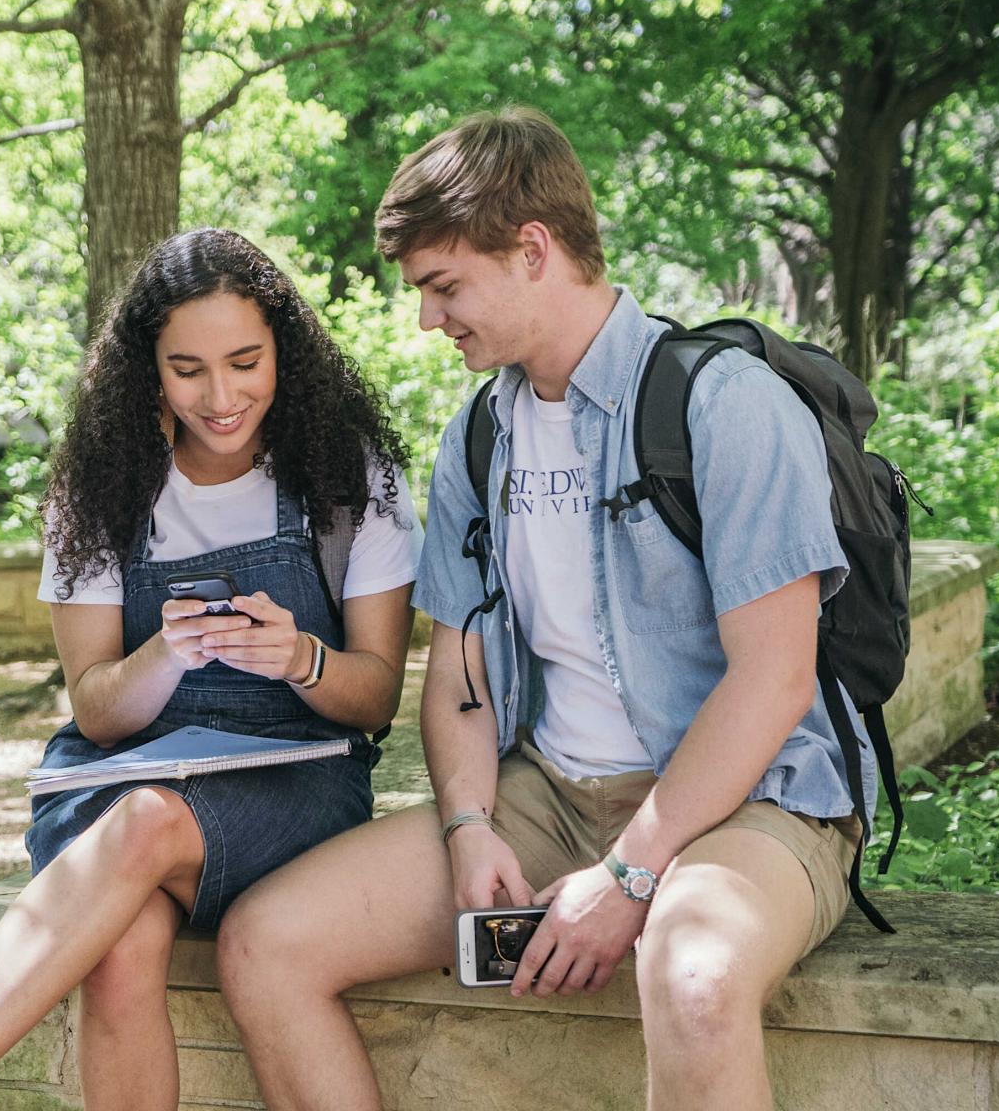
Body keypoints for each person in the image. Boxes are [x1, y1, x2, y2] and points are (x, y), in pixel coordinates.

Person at [215, 108, 871, 1111]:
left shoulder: (721, 404)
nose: (429, 320)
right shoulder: (479, 434)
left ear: (532, 250)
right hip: (553, 794)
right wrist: (471, 827)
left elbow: (775, 678)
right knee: (266, 944)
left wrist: (632, 875)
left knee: (692, 980)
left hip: (752, 805)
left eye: (444, 287)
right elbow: (464, 672)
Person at [0, 228, 418, 1111]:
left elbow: (376, 695)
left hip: (295, 776)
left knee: (141, 828)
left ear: (286, 350)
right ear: (148, 369)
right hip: (126, 764)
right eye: (188, 369)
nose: (222, 395)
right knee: (120, 948)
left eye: (245, 361)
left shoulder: (350, 476)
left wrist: (300, 658)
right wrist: (165, 654)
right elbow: (96, 713)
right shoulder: (101, 487)